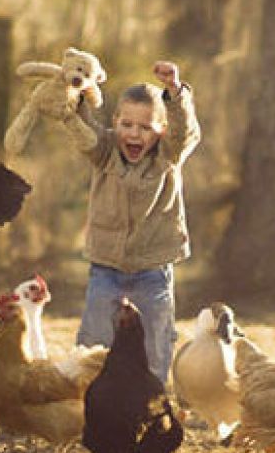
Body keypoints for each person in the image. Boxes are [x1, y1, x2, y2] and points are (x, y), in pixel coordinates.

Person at [59, 60, 200, 382]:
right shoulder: (104, 149)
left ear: (161, 130)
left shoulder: (168, 154)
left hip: (153, 267)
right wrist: (74, 98)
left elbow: (185, 132)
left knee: (155, 335)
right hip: (106, 265)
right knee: (96, 332)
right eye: (127, 124)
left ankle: (150, 399)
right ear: (115, 123)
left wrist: (175, 93)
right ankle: (87, 394)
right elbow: (83, 131)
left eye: (145, 127)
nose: (134, 133)